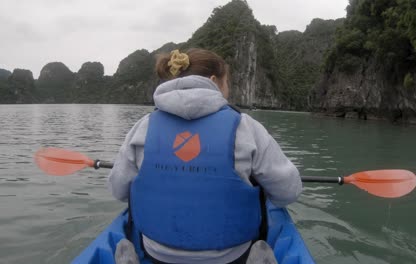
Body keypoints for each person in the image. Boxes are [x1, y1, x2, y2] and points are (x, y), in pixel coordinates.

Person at [108, 48, 302, 264]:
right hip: (232, 254)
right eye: (227, 82)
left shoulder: (142, 127)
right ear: (214, 81)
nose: (228, 88)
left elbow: (119, 191)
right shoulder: (246, 127)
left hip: (156, 251)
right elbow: (288, 192)